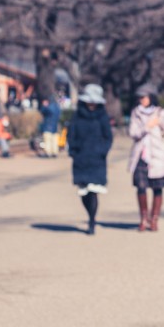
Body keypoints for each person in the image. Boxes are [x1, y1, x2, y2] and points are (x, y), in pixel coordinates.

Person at [128, 84, 164, 232]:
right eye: (140, 97)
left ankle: (154, 218)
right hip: (141, 155)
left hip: (159, 156)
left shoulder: (162, 113)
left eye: (144, 97)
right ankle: (144, 218)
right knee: (141, 187)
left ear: (151, 97)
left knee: (157, 188)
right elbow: (133, 133)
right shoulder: (136, 113)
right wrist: (147, 126)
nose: (141, 100)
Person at [67, 84, 113, 235]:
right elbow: (71, 135)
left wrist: (102, 151)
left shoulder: (102, 116)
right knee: (84, 192)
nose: (91, 104)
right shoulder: (77, 116)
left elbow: (108, 137)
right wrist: (73, 150)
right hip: (81, 158)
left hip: (97, 159)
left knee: (93, 191)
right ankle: (89, 215)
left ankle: (92, 220)